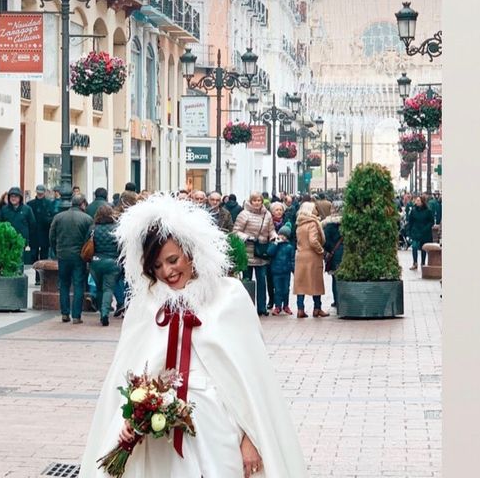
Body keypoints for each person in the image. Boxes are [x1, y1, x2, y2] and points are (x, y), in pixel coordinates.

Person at [78, 195, 308, 477]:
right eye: (157, 266)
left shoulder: (229, 297)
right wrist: (132, 417)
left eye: (172, 260)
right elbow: (129, 371)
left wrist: (251, 438)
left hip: (219, 427)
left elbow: (254, 380)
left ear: (191, 251)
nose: (167, 272)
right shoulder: (146, 305)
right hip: (161, 438)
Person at [49, 194, 94, 324]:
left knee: (63, 284)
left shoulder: (59, 217)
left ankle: (64, 313)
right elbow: (90, 239)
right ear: (83, 204)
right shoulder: (87, 219)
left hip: (63, 255)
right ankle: (76, 316)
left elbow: (51, 236)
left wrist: (55, 250)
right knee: (78, 285)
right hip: (79, 256)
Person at [233, 192, 277, 316]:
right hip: (248, 252)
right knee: (247, 281)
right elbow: (236, 232)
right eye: (255, 200)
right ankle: (249, 307)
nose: (257, 203)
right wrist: (248, 237)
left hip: (261, 253)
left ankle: (261, 308)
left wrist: (274, 237)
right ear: (251, 201)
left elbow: (271, 229)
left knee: (262, 281)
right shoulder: (244, 214)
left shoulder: (267, 215)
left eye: (259, 200)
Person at [294, 202, 329, 318]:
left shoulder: (300, 223)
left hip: (301, 255)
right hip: (312, 256)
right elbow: (313, 241)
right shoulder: (313, 223)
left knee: (301, 284)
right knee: (316, 284)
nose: (317, 211)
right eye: (315, 209)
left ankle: (300, 309)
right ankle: (317, 308)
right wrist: (321, 251)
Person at [88, 204, 122, 327]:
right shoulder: (117, 228)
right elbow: (121, 246)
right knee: (108, 288)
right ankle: (104, 313)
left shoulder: (93, 228)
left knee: (99, 288)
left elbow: (87, 244)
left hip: (96, 262)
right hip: (113, 263)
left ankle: (101, 309)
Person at [27, 184, 55, 285]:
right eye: (38, 192)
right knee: (33, 255)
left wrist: (47, 220)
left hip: (45, 233)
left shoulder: (49, 204)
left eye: (41, 193)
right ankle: (37, 275)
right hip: (34, 233)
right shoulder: (30, 204)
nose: (40, 194)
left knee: (43, 255)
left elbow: (53, 217)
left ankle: (40, 277)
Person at [0, 187, 36, 251]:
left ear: (20, 198)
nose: (13, 198)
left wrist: (28, 240)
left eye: (16, 196)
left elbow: (32, 225)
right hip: (7, 242)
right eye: (12, 196)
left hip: (22, 242)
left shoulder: (27, 209)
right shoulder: (3, 209)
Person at [267, 224, 295, 315]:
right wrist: (275, 243)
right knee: (278, 289)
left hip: (286, 272)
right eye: (280, 235)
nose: (282, 237)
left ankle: (286, 305)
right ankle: (278, 306)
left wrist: (293, 269)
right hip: (276, 271)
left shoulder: (289, 247)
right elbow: (269, 252)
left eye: (284, 236)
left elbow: (292, 259)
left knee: (286, 289)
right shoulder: (274, 244)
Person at [322, 201, 344, 308]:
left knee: (335, 278)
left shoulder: (328, 224)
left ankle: (337, 300)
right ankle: (343, 299)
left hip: (334, 253)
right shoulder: (347, 223)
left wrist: (329, 250)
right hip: (345, 251)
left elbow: (324, 240)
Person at [266, 202, 288, 311]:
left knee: (283, 283)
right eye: (276, 210)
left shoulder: (286, 223)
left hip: (283, 255)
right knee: (270, 280)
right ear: (272, 212)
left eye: (280, 210)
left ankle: (283, 303)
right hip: (271, 254)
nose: (279, 212)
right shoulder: (269, 222)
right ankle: (271, 300)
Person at [407, 195, 434, 270]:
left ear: (422, 202)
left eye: (418, 200)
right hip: (415, 231)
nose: (417, 202)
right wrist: (409, 231)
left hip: (424, 232)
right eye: (416, 200)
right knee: (414, 246)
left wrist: (426, 228)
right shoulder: (413, 211)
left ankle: (423, 262)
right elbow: (410, 221)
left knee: (423, 248)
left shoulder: (428, 211)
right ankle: (415, 263)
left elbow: (431, 221)